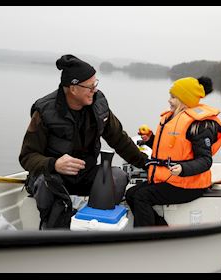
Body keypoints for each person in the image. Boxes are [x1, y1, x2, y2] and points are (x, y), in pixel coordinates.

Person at [19, 54, 148, 229]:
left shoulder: (99, 105)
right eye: (90, 86)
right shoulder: (44, 111)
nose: (94, 90)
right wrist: (54, 164)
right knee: (45, 183)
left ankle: (96, 227)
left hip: (85, 174)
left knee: (117, 177)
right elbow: (27, 157)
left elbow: (120, 140)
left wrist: (147, 164)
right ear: (73, 88)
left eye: (95, 84)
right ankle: (54, 230)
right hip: (53, 176)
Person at [125, 76, 221, 227]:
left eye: (173, 97)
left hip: (190, 185)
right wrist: (150, 139)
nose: (169, 100)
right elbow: (170, 149)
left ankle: (144, 239)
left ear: (183, 100)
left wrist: (183, 168)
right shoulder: (172, 118)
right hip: (172, 180)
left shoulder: (200, 126)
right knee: (131, 194)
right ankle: (161, 229)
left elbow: (205, 160)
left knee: (141, 196)